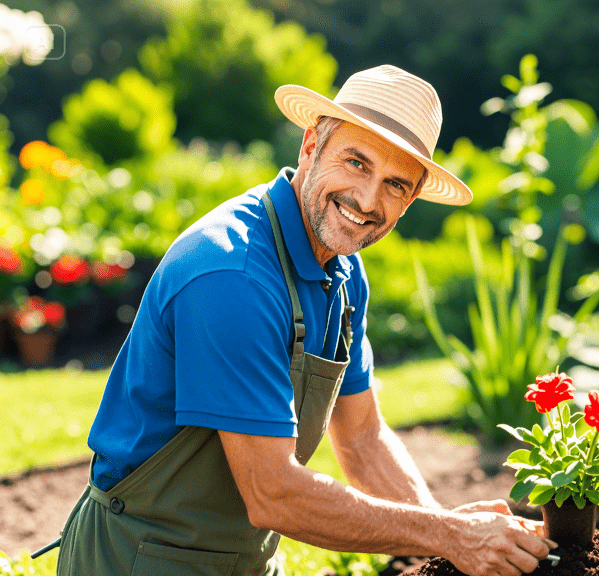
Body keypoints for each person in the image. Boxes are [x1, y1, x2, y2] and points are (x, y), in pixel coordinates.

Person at [53, 65, 557, 576]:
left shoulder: (343, 272)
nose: (367, 200)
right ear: (311, 144)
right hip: (142, 557)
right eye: (356, 163)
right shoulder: (234, 273)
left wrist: (444, 534)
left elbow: (362, 437)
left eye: (395, 185)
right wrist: (447, 534)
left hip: (241, 560)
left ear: (411, 200)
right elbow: (273, 493)